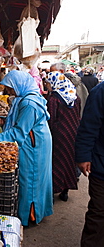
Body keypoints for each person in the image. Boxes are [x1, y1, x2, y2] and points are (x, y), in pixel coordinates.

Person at [0, 70, 53, 226]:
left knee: (30, 178)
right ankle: (32, 211)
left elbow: (20, 131)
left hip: (34, 144)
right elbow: (21, 122)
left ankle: (30, 215)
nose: (9, 91)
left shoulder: (28, 103)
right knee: (32, 177)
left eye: (10, 88)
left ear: (19, 85)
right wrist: (5, 121)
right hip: (34, 139)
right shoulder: (26, 98)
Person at [75, 82, 104, 246]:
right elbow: (88, 127)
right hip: (101, 167)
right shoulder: (100, 92)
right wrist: (83, 156)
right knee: (99, 213)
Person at [45, 71, 81, 201]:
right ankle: (65, 190)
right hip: (72, 133)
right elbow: (78, 116)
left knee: (56, 162)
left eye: (48, 83)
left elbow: (51, 119)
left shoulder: (54, 99)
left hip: (58, 135)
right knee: (68, 161)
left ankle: (54, 190)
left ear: (54, 83)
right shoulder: (75, 97)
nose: (46, 85)